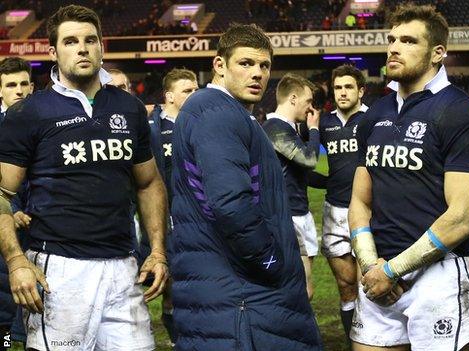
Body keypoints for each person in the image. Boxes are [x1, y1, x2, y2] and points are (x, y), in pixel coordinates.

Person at [0, 5, 168, 350]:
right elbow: (1, 193)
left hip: (124, 265)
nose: (82, 48)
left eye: (90, 40)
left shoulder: (128, 107)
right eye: (71, 41)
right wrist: (16, 261)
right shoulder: (28, 113)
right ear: (53, 52)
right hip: (60, 270)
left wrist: (158, 250)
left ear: (102, 47)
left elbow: (148, 182)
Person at [170, 23, 323, 350]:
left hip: (227, 290)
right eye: (246, 63)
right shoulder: (217, 113)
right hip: (242, 297)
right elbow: (231, 204)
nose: (257, 73)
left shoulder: (216, 110)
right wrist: (270, 261)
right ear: (219, 65)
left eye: (264, 65)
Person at [348, 4, 469, 350]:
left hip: (438, 276)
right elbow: (359, 201)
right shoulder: (374, 115)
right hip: (378, 271)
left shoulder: (460, 112)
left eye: (408, 41)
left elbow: (462, 217)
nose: (394, 48)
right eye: (391, 39)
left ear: (437, 53)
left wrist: (392, 270)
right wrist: (371, 266)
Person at [142, 67, 198, 345]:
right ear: (170, 96)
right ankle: (177, 338)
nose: (194, 95)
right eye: (188, 90)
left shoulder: (201, 124)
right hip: (168, 216)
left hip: (199, 215)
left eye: (196, 90)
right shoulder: (155, 128)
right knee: (172, 284)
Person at [317, 64, 368, 339]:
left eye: (349, 87)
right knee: (346, 285)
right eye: (338, 87)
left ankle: (374, 340)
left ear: (361, 90)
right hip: (333, 210)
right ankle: (353, 340)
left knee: (368, 283)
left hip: (368, 211)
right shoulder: (324, 123)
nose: (343, 92)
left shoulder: (374, 120)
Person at [262, 73, 320, 300]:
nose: (310, 108)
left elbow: (300, 173)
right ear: (293, 98)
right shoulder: (274, 127)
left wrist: (333, 182)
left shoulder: (288, 128)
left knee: (304, 289)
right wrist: (314, 129)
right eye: (308, 101)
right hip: (288, 215)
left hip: (300, 211)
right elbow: (309, 159)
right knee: (300, 290)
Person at [0, 56, 33, 345]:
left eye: (24, 84)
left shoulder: (42, 123)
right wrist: (13, 210)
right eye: (11, 85)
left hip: (38, 227)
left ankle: (21, 339)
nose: (19, 90)